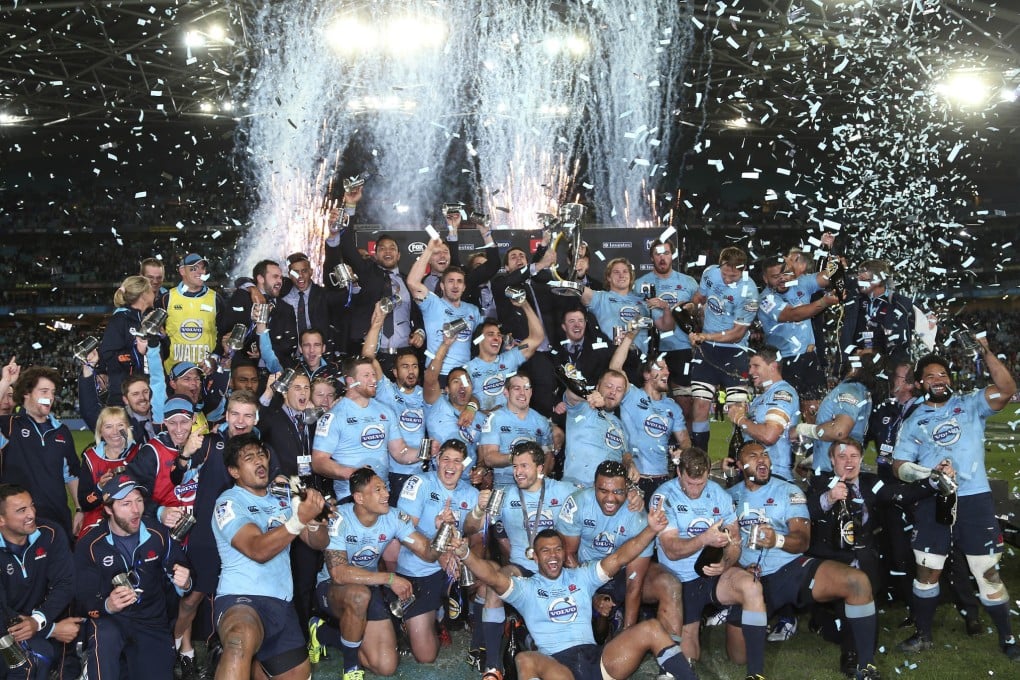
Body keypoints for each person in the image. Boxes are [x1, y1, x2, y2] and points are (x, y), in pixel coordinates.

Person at [452, 510, 698, 680]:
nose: (553, 555)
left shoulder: (581, 576)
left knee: (652, 628)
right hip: (560, 668)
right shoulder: (525, 588)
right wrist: (465, 554)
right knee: (526, 659)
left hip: (599, 662)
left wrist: (651, 529)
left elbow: (620, 556)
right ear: (534, 557)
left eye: (558, 549)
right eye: (545, 551)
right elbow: (492, 576)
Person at [892, 346, 1020, 660]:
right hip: (933, 500)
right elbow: (899, 465)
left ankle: (1008, 639)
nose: (938, 379)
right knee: (928, 571)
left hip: (974, 499)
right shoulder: (913, 419)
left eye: (943, 374)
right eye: (930, 376)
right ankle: (923, 635)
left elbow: (1007, 389)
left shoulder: (971, 403)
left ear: (950, 379)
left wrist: (986, 352)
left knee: (985, 571)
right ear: (920, 384)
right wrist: (929, 474)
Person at [729, 441, 881, 679]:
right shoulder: (729, 497)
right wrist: (738, 569)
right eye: (753, 456)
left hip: (790, 570)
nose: (762, 460)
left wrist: (777, 540)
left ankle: (866, 666)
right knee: (738, 656)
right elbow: (725, 546)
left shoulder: (789, 491)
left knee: (857, 582)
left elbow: (802, 541)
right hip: (750, 580)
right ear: (740, 465)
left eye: (765, 455)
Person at [211, 433, 329, 680]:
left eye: (262, 455)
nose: (259, 461)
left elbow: (318, 543)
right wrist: (299, 520)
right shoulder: (229, 503)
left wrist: (316, 519)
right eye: (249, 458)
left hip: (282, 603)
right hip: (242, 599)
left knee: (298, 674)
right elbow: (258, 550)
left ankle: (256, 666)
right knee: (239, 640)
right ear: (234, 471)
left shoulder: (284, 496)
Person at [461, 441, 578, 680]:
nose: (518, 472)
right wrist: (478, 510)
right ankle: (493, 667)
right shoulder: (504, 496)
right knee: (497, 585)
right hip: (522, 568)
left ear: (540, 468)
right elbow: (470, 528)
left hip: (556, 572)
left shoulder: (564, 491)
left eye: (524, 466)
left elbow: (596, 504)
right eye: (515, 466)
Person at [651, 447, 768, 680]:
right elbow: (672, 550)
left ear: (707, 474)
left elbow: (735, 543)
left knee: (752, 586)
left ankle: (757, 673)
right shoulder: (663, 497)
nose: (695, 490)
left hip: (714, 573)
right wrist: (704, 538)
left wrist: (726, 561)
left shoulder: (718, 494)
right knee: (687, 658)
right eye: (690, 483)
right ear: (678, 472)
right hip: (681, 580)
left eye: (700, 483)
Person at [315, 467, 441, 679]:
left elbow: (428, 553)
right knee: (359, 595)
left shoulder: (394, 517)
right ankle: (351, 667)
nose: (386, 494)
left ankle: (323, 633)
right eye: (378, 490)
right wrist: (389, 578)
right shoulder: (339, 518)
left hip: (369, 587)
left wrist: (444, 533)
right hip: (332, 588)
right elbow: (339, 574)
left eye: (385, 488)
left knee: (386, 666)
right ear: (359, 498)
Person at [75, 476, 192, 680]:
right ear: (109, 509)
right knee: (105, 638)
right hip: (110, 621)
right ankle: (93, 663)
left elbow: (182, 573)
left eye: (138, 500)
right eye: (126, 504)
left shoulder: (158, 533)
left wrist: (186, 582)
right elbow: (82, 599)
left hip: (151, 620)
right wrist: (108, 605)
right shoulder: (90, 545)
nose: (136, 509)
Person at [558, 461, 683, 644]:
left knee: (669, 585)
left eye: (618, 492)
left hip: (622, 575)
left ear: (627, 489)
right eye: (603, 491)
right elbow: (568, 556)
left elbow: (634, 583)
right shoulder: (577, 504)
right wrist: (590, 595)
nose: (610, 499)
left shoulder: (638, 517)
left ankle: (670, 660)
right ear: (594, 486)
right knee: (593, 637)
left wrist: (627, 639)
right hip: (584, 572)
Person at [806, 439, 887, 674]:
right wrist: (830, 498)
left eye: (854, 456)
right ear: (832, 460)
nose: (848, 461)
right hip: (833, 559)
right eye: (842, 457)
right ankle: (852, 654)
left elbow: (898, 494)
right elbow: (806, 510)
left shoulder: (872, 482)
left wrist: (933, 482)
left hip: (866, 558)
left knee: (863, 619)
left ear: (862, 459)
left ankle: (837, 632)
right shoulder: (820, 483)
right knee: (849, 598)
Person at [0, 483, 79, 680]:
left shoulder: (50, 533)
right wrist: (50, 630)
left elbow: (65, 583)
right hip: (5, 632)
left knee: (55, 658)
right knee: (32, 659)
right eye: (21, 510)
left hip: (39, 622)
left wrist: (38, 621)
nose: (31, 514)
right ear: (1, 519)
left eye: (31, 505)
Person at [311, 356, 416, 501]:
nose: (373, 380)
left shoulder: (385, 412)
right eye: (366, 375)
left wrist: (427, 451)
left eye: (373, 375)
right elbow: (318, 462)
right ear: (350, 381)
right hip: (351, 497)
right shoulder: (334, 416)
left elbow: (400, 453)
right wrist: (351, 473)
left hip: (383, 495)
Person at [686, 247, 759, 453]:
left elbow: (736, 333)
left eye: (733, 275)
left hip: (734, 351)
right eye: (725, 273)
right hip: (707, 350)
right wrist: (689, 310)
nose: (727, 279)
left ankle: (736, 459)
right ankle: (700, 457)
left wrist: (704, 335)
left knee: (737, 410)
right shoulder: (710, 273)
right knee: (700, 405)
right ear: (720, 266)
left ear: (743, 271)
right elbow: (698, 298)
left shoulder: (749, 292)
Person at [0, 366, 82, 537]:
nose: (50, 397)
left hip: (58, 521)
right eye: (44, 391)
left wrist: (80, 509)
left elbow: (72, 475)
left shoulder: (62, 431)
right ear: (26, 393)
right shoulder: (9, 426)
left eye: (52, 392)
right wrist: (6, 381)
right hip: (19, 524)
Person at [757, 254, 840, 420]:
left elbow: (827, 276)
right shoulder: (766, 299)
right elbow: (793, 314)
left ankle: (810, 446)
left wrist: (836, 262)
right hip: (783, 362)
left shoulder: (801, 283)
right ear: (765, 279)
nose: (782, 279)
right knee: (786, 413)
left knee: (813, 411)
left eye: (785, 273)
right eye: (775, 277)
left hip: (809, 358)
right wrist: (824, 302)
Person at [609, 330, 690, 499]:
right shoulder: (632, 395)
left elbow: (685, 441)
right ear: (647, 374)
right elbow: (615, 368)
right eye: (660, 368)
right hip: (632, 477)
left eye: (667, 368)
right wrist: (629, 338)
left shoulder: (672, 407)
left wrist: (683, 451)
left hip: (661, 480)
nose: (667, 372)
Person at [362, 304, 430, 503]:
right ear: (395, 372)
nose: (411, 371)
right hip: (394, 472)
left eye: (415, 366)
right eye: (405, 367)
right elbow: (367, 358)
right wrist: (378, 324)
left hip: (422, 472)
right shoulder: (386, 390)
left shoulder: (425, 394)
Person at [634, 238, 699, 422]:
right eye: (658, 254)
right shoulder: (639, 284)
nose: (662, 258)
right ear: (651, 257)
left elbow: (699, 310)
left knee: (685, 403)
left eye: (666, 253)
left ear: (673, 255)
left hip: (681, 349)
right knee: (651, 401)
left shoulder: (688, 282)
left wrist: (692, 308)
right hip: (652, 349)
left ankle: (685, 448)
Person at [407, 238, 482, 380]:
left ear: (464, 287)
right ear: (442, 286)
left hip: (464, 375)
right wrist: (429, 250)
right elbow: (412, 282)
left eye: (459, 282)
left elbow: (481, 338)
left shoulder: (473, 310)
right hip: (437, 374)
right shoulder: (432, 303)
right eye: (450, 281)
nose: (455, 286)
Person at [724, 346, 800, 481]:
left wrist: (740, 419)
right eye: (750, 366)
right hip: (754, 476)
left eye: (756, 366)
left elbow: (769, 436)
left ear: (773, 367)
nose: (750, 371)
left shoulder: (782, 393)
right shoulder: (761, 397)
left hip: (774, 477)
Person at [464, 296, 545, 413]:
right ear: (479, 339)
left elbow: (537, 338)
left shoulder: (511, 357)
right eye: (491, 334)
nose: (497, 338)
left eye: (499, 335)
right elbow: (462, 402)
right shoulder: (466, 369)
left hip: (512, 424)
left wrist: (525, 305)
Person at [796, 361, 875, 475]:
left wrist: (802, 429)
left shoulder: (849, 389)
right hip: (839, 467)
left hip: (834, 473)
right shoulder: (860, 389)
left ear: (854, 369)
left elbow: (839, 432)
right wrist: (810, 461)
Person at [478, 372, 555, 487]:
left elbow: (549, 455)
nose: (522, 393)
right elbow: (489, 458)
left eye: (526, 388)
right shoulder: (495, 418)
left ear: (531, 392)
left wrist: (539, 479)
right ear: (506, 392)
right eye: (517, 388)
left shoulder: (541, 421)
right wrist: (516, 458)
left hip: (532, 486)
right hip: (504, 486)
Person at [837, 259, 913, 375]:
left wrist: (875, 353)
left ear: (878, 281)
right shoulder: (855, 297)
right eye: (858, 278)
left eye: (863, 280)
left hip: (885, 368)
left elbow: (899, 342)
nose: (859, 282)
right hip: (855, 364)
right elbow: (836, 279)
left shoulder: (899, 304)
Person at [77, 406, 140, 538]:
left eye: (120, 425)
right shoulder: (90, 458)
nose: (115, 432)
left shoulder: (139, 453)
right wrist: (100, 488)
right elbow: (84, 503)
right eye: (108, 426)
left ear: (128, 428)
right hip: (98, 518)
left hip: (133, 515)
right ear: (100, 431)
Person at [159, 252, 228, 371]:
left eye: (202, 268)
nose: (200, 272)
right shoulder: (167, 298)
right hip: (173, 373)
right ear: (182, 271)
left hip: (205, 371)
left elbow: (224, 334)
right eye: (194, 269)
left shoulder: (216, 299)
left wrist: (214, 357)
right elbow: (159, 335)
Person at [560, 369, 629, 486]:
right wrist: (588, 396)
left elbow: (625, 454)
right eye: (609, 386)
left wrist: (630, 464)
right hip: (576, 488)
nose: (613, 392)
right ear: (598, 387)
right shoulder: (582, 408)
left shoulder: (619, 425)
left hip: (606, 494)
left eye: (619, 389)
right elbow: (571, 393)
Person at [101, 274, 155, 405]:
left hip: (147, 392)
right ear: (143, 295)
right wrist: (137, 353)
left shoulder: (146, 319)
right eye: (151, 290)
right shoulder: (120, 320)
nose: (154, 294)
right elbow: (109, 356)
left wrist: (162, 336)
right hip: (124, 395)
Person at [279, 252, 345, 357]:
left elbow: (347, 300)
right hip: (290, 358)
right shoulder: (282, 296)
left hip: (321, 357)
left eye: (304, 271)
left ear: (311, 272)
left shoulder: (324, 296)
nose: (300, 276)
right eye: (295, 272)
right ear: (289, 275)